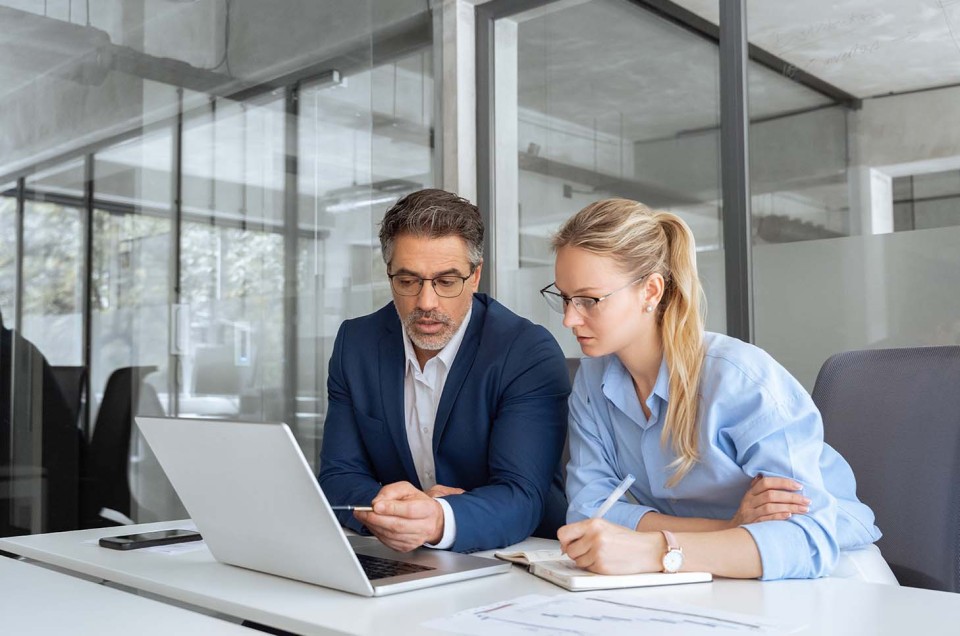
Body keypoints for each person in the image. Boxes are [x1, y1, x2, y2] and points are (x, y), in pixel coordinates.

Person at [544, 198, 888, 581]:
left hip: (831, 577)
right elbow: (589, 512)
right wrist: (731, 526)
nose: (569, 318)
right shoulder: (592, 384)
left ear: (651, 291)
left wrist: (655, 546)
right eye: (564, 296)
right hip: (699, 572)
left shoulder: (739, 379)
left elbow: (805, 540)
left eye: (589, 300)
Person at [318, 188, 569, 554]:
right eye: (407, 281)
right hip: (399, 554)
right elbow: (338, 477)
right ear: (390, 275)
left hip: (512, 558)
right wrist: (398, 514)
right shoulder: (355, 344)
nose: (426, 302)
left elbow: (521, 495)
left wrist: (437, 518)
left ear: (476, 275)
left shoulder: (526, 352)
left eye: (446, 282)